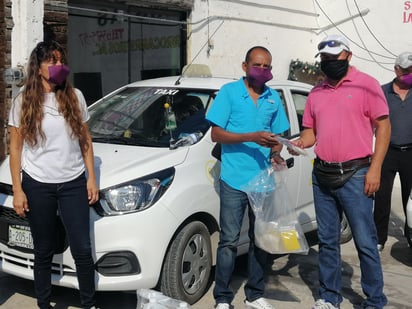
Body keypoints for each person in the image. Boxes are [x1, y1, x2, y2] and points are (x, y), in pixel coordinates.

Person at [288, 34, 390, 309]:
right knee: (327, 241)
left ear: (348, 55)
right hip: (322, 175)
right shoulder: (316, 92)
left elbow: (383, 127)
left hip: (356, 174)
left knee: (365, 242)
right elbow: (311, 134)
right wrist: (296, 143)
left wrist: (376, 169)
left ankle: (375, 299)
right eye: (325, 58)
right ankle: (329, 297)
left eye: (335, 58)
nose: (330, 62)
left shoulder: (367, 85)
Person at [8, 41, 99, 309]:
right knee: (44, 250)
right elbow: (14, 147)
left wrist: (91, 178)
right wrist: (17, 189)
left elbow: (85, 140)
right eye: (53, 62)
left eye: (61, 61)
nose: (60, 67)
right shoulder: (23, 100)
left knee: (82, 248)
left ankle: (88, 303)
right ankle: (44, 303)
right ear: (39, 68)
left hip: (72, 183)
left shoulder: (75, 96)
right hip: (38, 185)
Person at [206, 46, 290, 309]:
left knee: (261, 238)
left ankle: (254, 294)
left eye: (267, 66)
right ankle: (222, 297)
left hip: (262, 180)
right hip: (233, 179)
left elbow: (278, 138)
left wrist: (276, 152)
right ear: (244, 66)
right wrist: (251, 137)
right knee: (229, 241)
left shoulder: (273, 98)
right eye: (257, 65)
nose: (262, 71)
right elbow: (216, 135)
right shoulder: (229, 93)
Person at [374, 51, 412, 251]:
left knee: (411, 200)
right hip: (387, 151)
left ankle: (410, 236)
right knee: (381, 197)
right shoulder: (382, 92)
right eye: (406, 70)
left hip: (411, 153)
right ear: (396, 69)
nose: (410, 74)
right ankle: (379, 238)